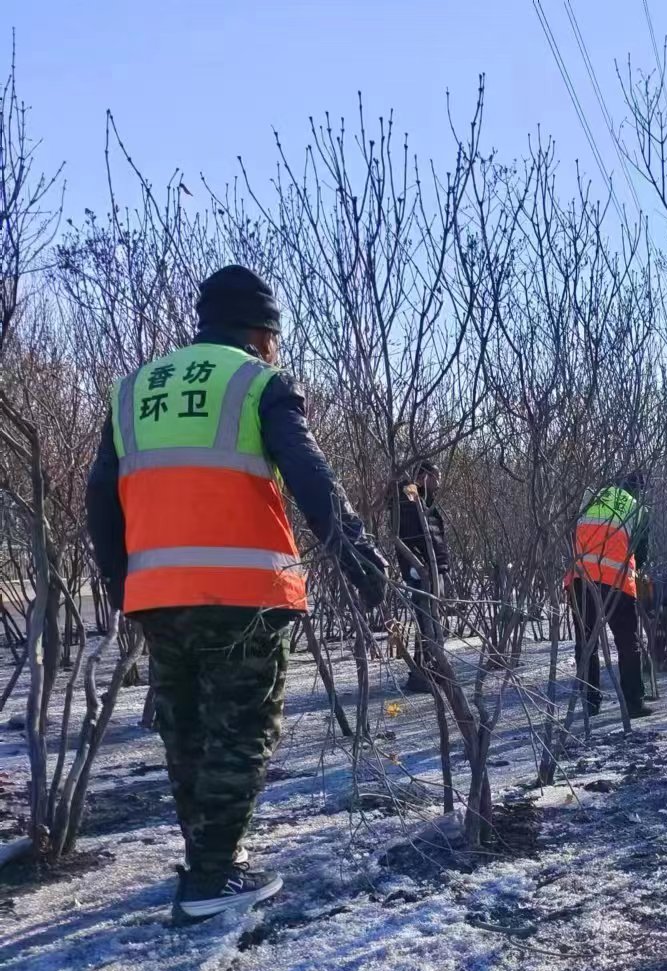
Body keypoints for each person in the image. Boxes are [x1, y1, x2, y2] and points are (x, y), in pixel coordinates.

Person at [86, 265, 390, 923]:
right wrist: (362, 561)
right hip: (244, 592)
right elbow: (311, 475)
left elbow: (99, 500)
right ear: (262, 331)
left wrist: (121, 584)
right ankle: (211, 881)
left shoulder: (135, 389)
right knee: (240, 734)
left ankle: (207, 861)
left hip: (158, 593)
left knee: (187, 731)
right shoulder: (258, 382)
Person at [565, 472, 650, 718]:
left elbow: (572, 537)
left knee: (586, 643)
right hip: (617, 583)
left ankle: (590, 702)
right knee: (628, 643)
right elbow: (642, 551)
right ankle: (634, 702)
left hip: (580, 580)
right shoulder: (636, 507)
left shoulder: (591, 497)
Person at [395, 460, 451, 694]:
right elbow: (407, 533)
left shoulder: (426, 500)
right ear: (423, 476)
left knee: (433, 622)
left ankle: (430, 669)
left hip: (434, 568)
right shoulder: (409, 497)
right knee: (426, 621)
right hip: (421, 570)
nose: (438, 482)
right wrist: (418, 565)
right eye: (435, 477)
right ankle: (422, 673)